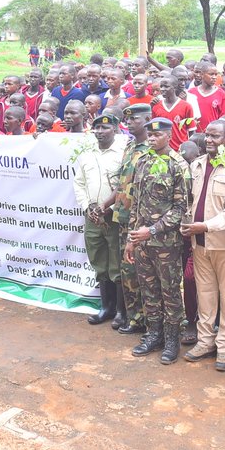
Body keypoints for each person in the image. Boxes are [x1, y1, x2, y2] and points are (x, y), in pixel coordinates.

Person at [125, 117, 191, 365]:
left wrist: (152, 230)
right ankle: (154, 335)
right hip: (142, 243)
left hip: (167, 244)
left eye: (157, 135)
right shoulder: (143, 161)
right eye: (150, 135)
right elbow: (136, 204)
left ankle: (172, 340)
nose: (152, 139)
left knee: (170, 292)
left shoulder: (178, 165)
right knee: (149, 290)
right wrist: (132, 238)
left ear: (169, 136)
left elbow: (181, 208)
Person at [182, 119, 225, 372]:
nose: (209, 140)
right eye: (207, 135)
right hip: (198, 244)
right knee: (205, 295)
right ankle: (205, 342)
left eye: (215, 136)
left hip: (224, 245)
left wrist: (205, 226)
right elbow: (190, 201)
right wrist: (188, 224)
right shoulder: (197, 165)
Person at [74, 113, 127, 326]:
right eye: (97, 128)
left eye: (105, 128)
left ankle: (121, 311)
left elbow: (124, 186)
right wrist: (87, 207)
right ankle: (106, 307)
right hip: (92, 216)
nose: (100, 132)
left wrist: (109, 208)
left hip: (113, 216)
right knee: (98, 260)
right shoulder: (87, 155)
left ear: (115, 129)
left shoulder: (122, 154)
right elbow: (79, 183)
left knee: (117, 262)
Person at [107, 103, 150, 334]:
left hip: (141, 221)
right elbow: (122, 182)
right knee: (127, 269)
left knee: (142, 271)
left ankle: (147, 320)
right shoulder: (131, 146)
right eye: (128, 119)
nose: (130, 123)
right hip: (123, 216)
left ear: (147, 120)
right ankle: (134, 318)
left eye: (135, 119)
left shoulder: (150, 149)